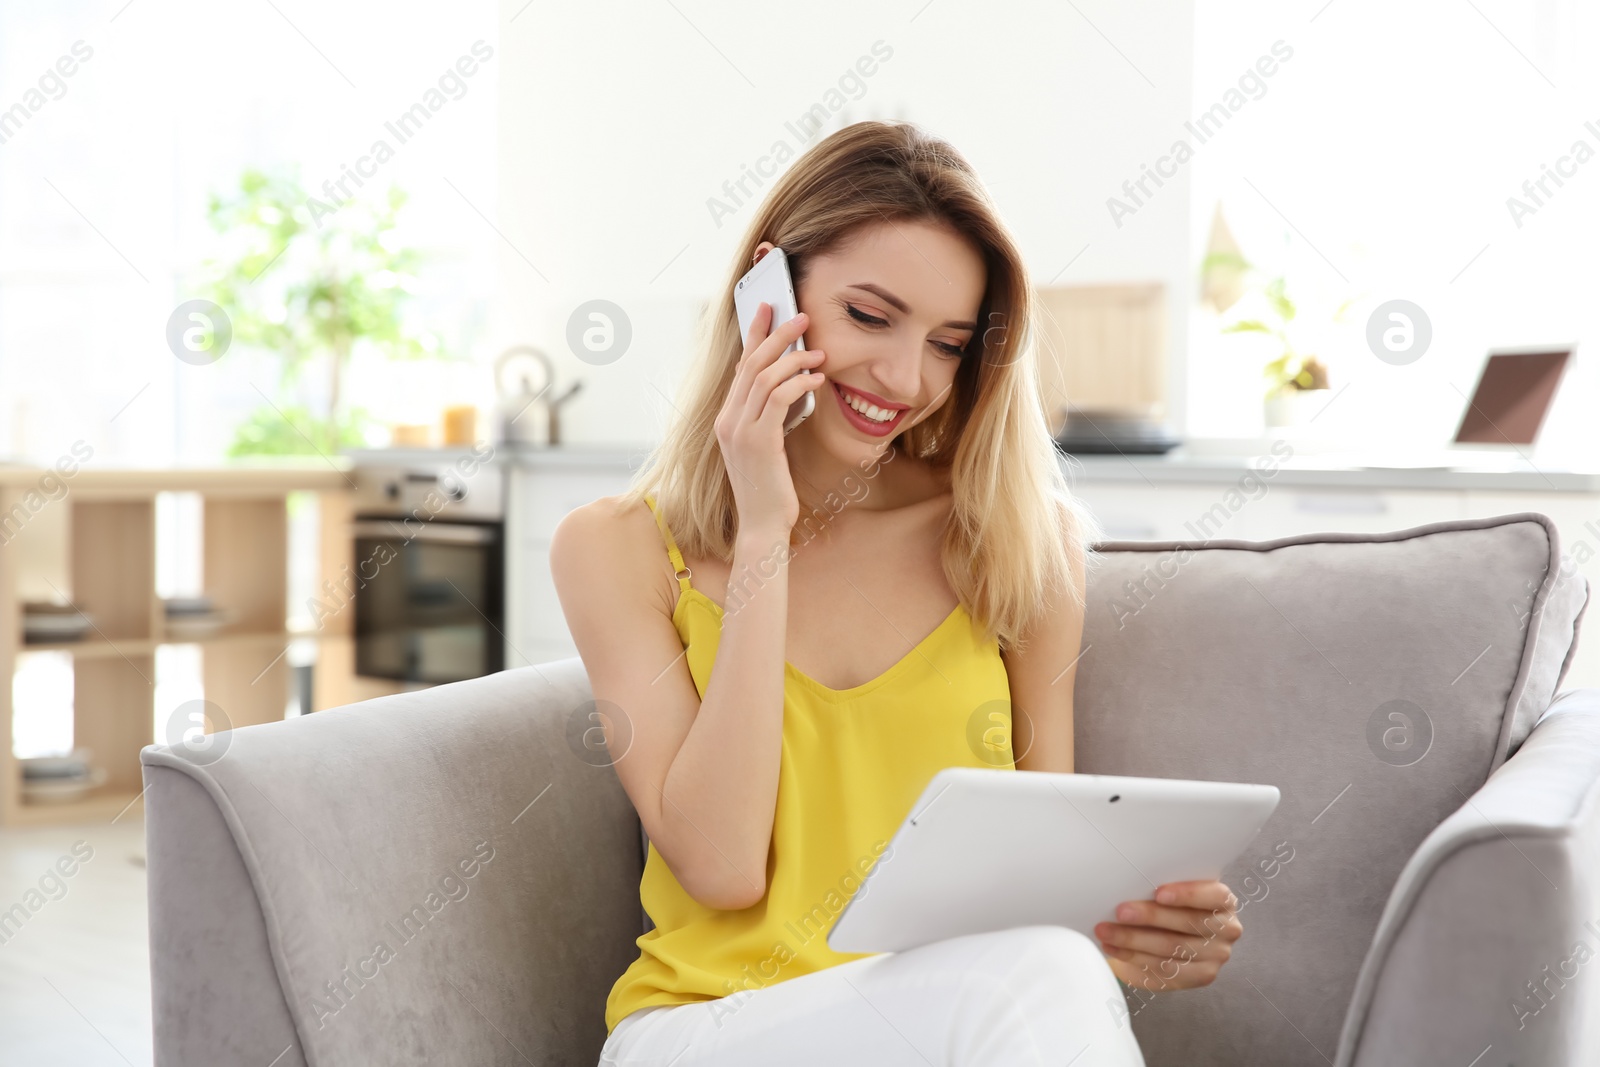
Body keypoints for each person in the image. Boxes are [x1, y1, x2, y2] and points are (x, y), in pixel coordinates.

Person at [550, 120, 1243, 1067]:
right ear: (770, 295)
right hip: (704, 1029)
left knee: (1042, 967)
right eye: (870, 318)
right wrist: (764, 530)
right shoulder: (617, 547)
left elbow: (1044, 888)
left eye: (949, 344)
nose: (904, 379)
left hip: (939, 1030)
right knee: (1034, 974)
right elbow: (719, 865)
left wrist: (1134, 939)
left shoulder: (1018, 544)